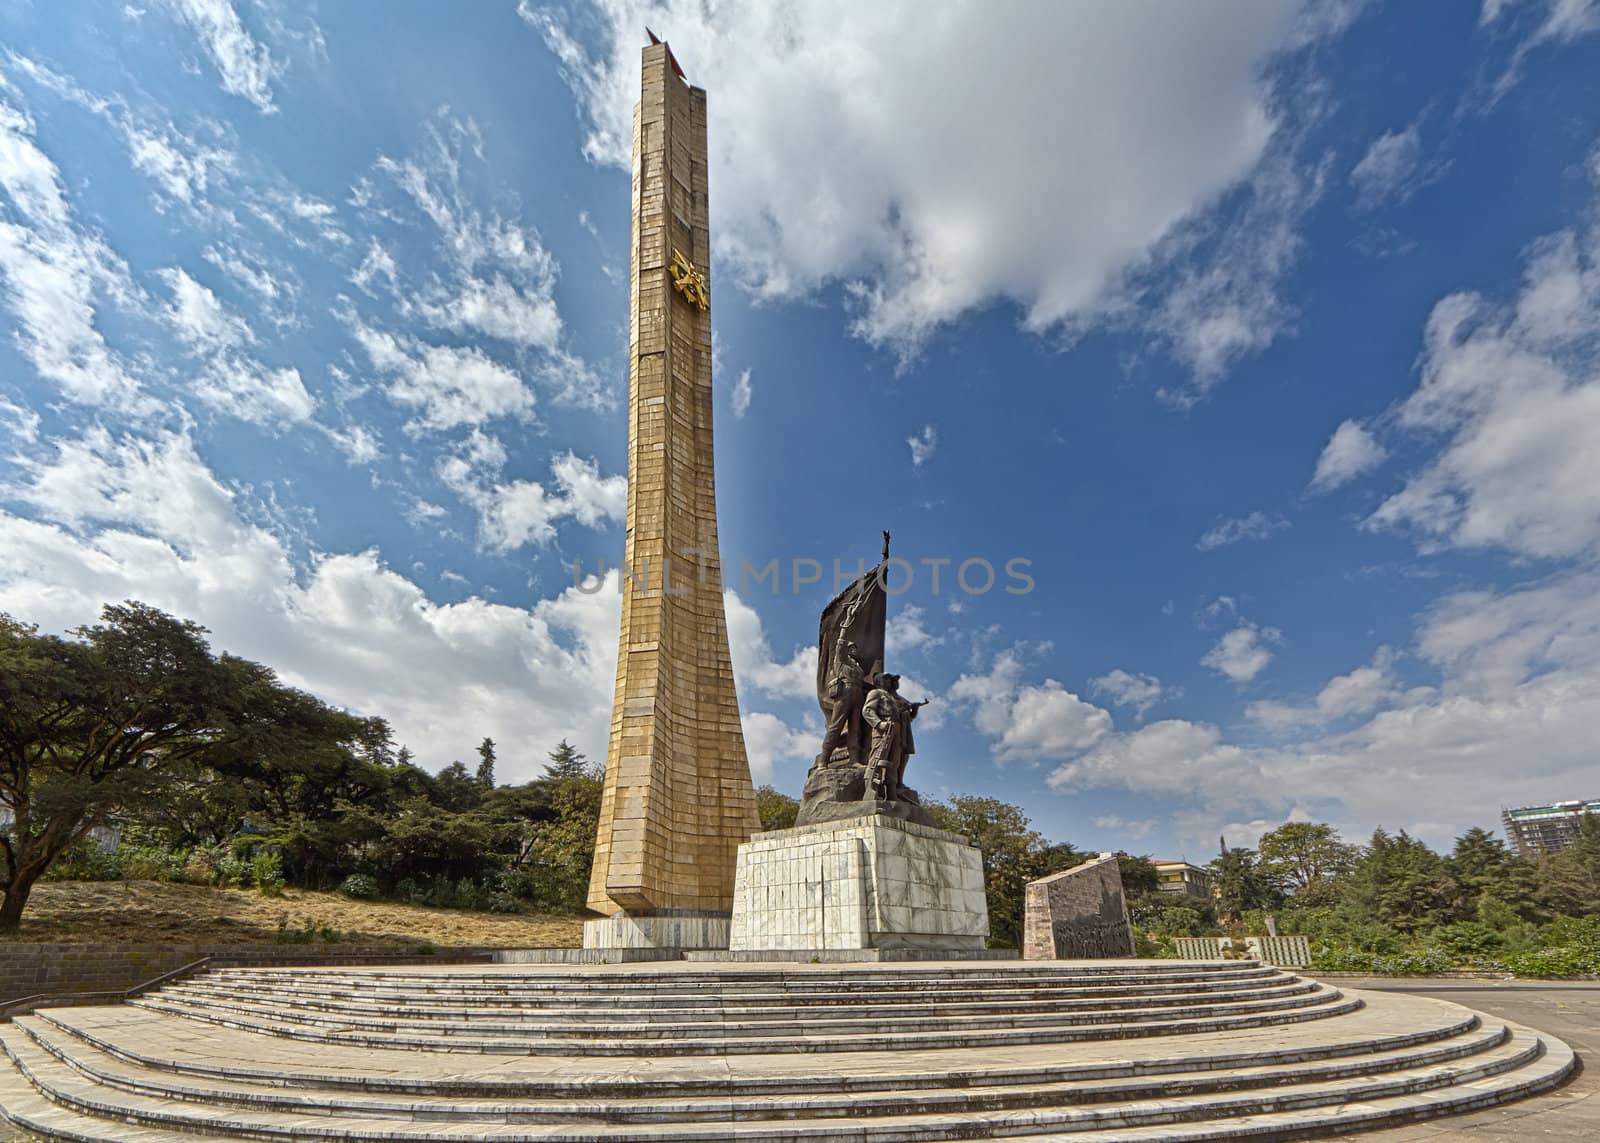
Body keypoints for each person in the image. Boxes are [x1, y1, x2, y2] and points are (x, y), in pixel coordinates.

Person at [819, 637, 865, 764]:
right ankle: (823, 761)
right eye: (852, 648)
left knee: (855, 729)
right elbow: (839, 648)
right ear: (847, 650)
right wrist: (843, 631)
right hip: (845, 692)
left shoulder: (858, 667)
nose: (855, 650)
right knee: (836, 726)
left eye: (855, 648)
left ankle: (854, 760)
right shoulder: (841, 661)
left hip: (857, 695)